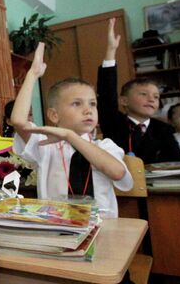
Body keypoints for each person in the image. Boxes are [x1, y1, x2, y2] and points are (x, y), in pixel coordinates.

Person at [11, 43, 133, 218]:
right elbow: (18, 121)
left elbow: (117, 172)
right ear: (54, 115)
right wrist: (32, 75)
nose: (88, 110)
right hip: (56, 226)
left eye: (92, 104)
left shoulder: (105, 146)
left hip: (102, 227)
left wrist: (69, 136)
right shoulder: (46, 146)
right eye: (77, 104)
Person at [97, 18, 180, 163]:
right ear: (124, 100)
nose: (152, 99)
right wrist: (111, 51)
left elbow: (176, 163)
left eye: (156, 97)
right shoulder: (114, 122)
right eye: (144, 94)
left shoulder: (164, 130)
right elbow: (106, 95)